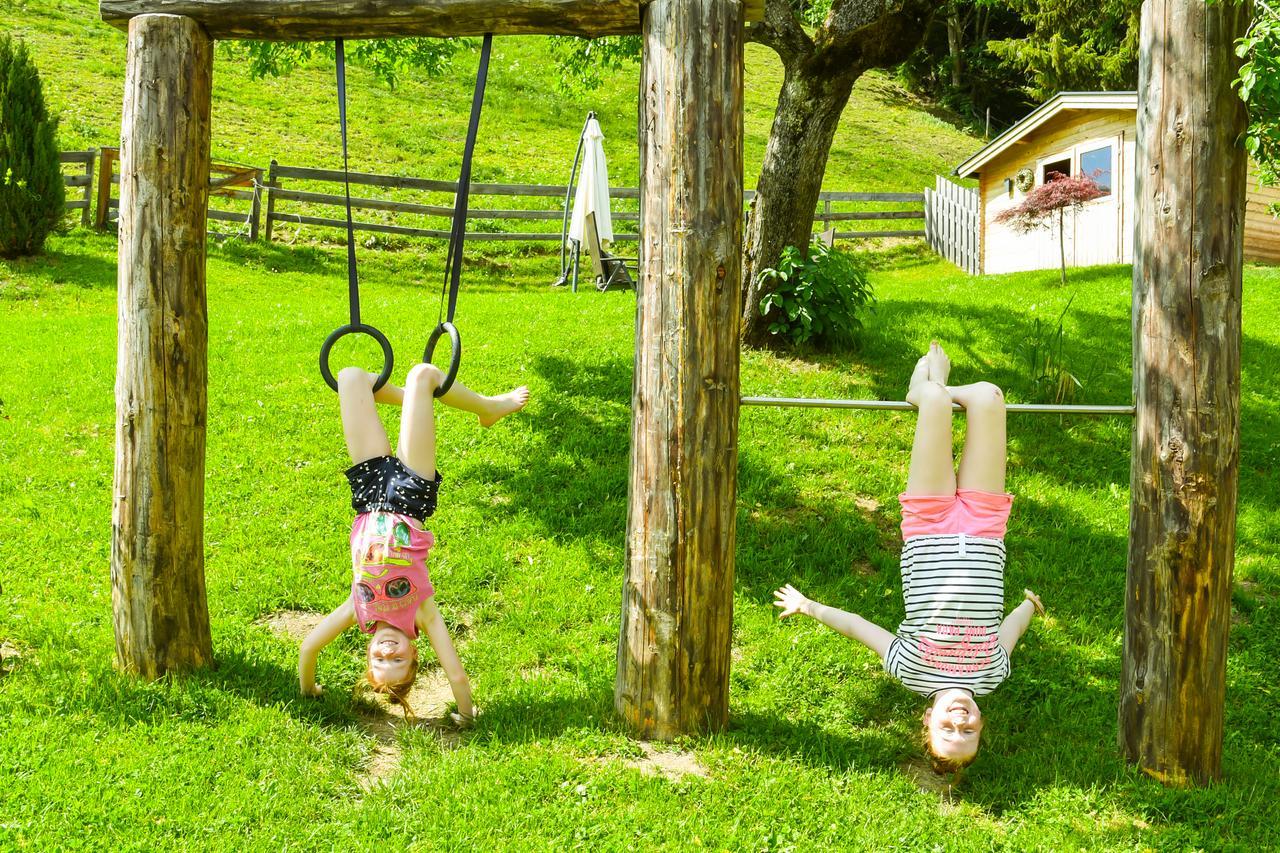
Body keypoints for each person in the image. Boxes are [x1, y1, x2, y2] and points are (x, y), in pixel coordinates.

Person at [774, 342, 1044, 773]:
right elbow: (1010, 630)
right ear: (981, 722)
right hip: (986, 527)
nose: (959, 722)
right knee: (989, 396)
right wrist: (1030, 607)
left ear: (927, 719)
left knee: (935, 400)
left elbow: (860, 628)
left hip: (931, 527)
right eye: (968, 732)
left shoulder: (911, 670)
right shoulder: (993, 675)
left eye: (947, 730)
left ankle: (924, 386)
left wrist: (808, 607)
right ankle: (936, 384)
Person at [298, 362, 529, 722]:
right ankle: (486, 408)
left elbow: (309, 648)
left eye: (379, 659)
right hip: (410, 494)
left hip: (367, 491)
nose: (388, 652)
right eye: (398, 660)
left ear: (368, 651)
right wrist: (466, 715)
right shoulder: (421, 612)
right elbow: (456, 674)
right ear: (414, 652)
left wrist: (308, 689)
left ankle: (414, 405)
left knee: (350, 377)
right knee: (423, 375)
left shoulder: (358, 611)